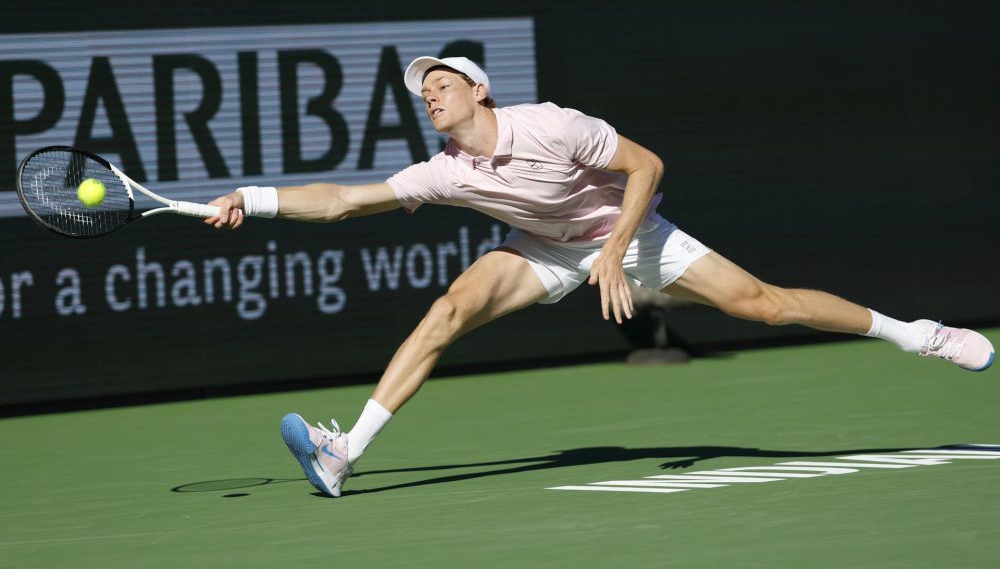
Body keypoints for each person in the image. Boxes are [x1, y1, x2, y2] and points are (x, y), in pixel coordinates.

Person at [205, 56, 995, 498]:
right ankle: (345, 454)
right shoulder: (444, 171)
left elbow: (647, 165)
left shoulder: (552, 125)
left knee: (766, 306)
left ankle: (920, 335)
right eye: (422, 94)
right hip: (545, 249)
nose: (430, 96)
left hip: (631, 233)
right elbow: (345, 200)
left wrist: (617, 251)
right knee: (450, 307)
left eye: (440, 83)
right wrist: (256, 198)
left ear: (478, 88)